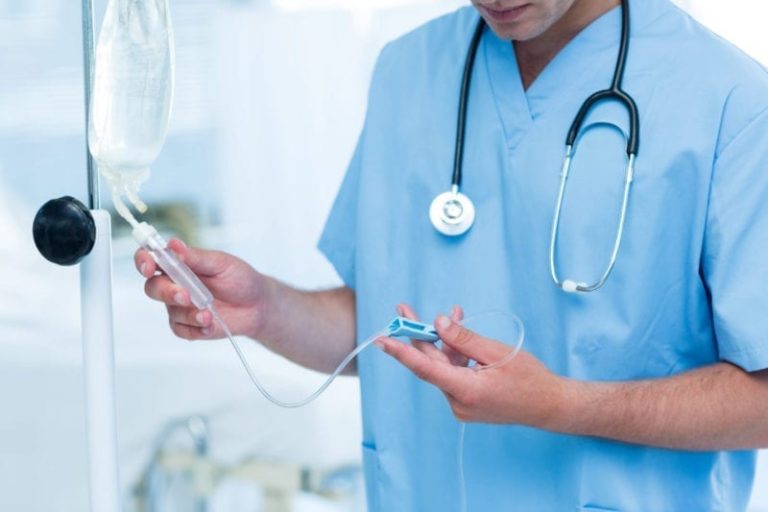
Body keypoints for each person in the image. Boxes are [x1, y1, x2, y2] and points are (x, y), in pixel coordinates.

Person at [135, 0, 768, 509]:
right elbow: (387, 324)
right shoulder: (408, 72)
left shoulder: (728, 101)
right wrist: (265, 309)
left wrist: (559, 404)